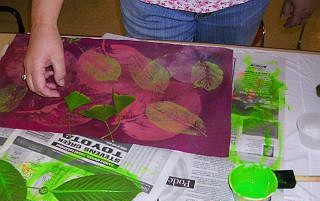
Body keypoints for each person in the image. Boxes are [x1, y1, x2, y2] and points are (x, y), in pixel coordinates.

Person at [23, 0, 319, 98]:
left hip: (239, 5)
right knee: (155, 90)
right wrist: (44, 22)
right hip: (154, 6)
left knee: (218, 89)